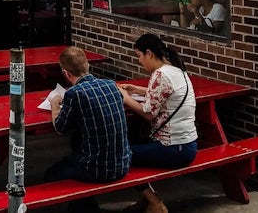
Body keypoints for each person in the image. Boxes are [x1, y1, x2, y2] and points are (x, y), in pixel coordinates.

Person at [118, 33, 197, 213]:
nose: (139, 61)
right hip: (187, 145)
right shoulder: (177, 70)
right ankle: (147, 199)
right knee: (134, 145)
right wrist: (138, 89)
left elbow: (147, 114)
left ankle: (154, 203)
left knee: (121, 156)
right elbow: (167, 94)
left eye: (139, 56)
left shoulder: (160, 74)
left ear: (149, 53)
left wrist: (125, 97)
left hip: (173, 148)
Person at [47, 46, 131, 213]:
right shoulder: (112, 86)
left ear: (66, 73)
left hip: (97, 170)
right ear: (88, 66)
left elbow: (60, 128)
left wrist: (55, 103)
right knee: (76, 143)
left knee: (52, 174)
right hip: (124, 163)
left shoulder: (74, 94)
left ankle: (87, 209)